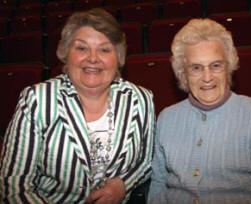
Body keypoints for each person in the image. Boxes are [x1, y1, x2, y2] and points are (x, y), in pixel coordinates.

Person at [0, 8, 155, 203]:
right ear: (66, 53)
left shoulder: (140, 98)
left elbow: (146, 160)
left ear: (119, 57)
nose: (92, 57)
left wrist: (123, 184)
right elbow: (14, 184)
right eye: (81, 48)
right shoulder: (37, 100)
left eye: (105, 49)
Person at [147, 18, 251, 204]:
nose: (207, 77)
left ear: (229, 67)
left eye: (216, 65)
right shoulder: (166, 118)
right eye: (196, 68)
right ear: (182, 73)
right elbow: (159, 184)